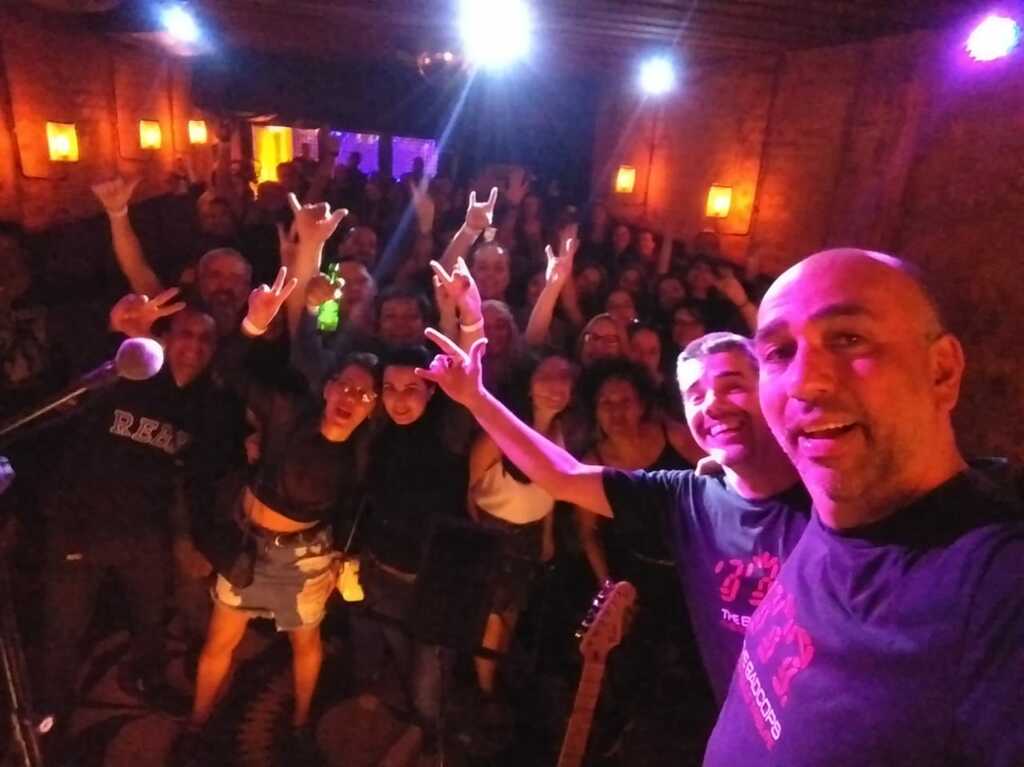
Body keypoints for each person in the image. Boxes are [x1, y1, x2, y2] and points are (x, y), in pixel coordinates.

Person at [703, 248, 1024, 766]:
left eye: (849, 339)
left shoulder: (996, 590)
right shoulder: (837, 511)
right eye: (780, 352)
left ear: (942, 371)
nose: (805, 382)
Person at [415, 328, 810, 711]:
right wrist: (476, 398)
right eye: (695, 394)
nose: (713, 404)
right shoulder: (686, 497)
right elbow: (562, 476)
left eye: (732, 386)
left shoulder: (826, 494)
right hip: (741, 721)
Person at [350, 345, 469, 749]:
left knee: (429, 675)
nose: (399, 399)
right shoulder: (379, 434)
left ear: (432, 391)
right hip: (383, 569)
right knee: (402, 650)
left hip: (434, 579)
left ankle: (430, 737)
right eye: (390, 388)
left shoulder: (448, 433)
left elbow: (467, 396)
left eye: (412, 389)